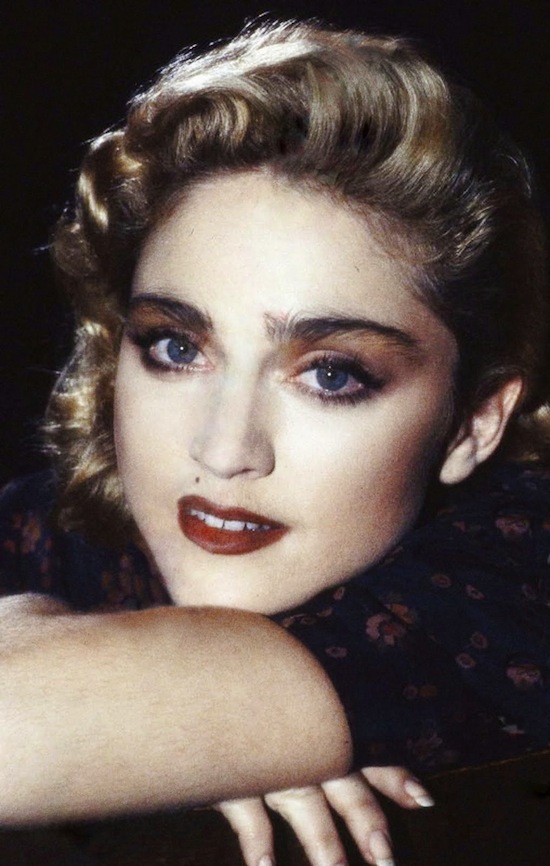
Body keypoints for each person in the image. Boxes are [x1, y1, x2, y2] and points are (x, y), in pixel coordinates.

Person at [1, 18, 549, 866]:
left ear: (475, 423)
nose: (224, 453)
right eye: (176, 347)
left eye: (329, 375)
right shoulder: (64, 528)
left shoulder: (520, 578)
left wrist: (151, 711)